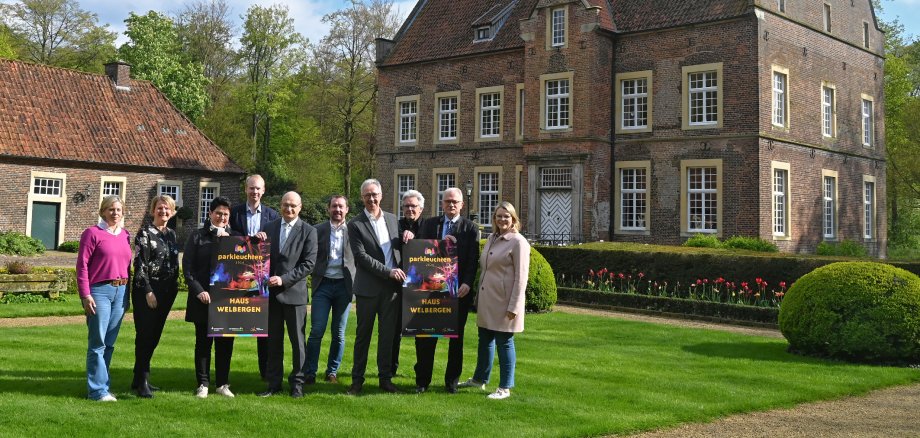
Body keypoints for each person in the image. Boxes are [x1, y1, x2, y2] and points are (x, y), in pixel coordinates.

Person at [458, 202, 530, 400]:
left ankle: (505, 386)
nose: (502, 220)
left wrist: (514, 306)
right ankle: (479, 379)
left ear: (513, 219)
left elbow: (521, 277)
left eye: (506, 216)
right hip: (487, 300)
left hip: (505, 301)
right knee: (485, 341)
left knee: (504, 343)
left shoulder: (518, 242)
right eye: (499, 216)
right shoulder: (491, 237)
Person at [411, 187, 480, 394]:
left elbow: (472, 260)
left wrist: (467, 283)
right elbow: (421, 253)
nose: (451, 205)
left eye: (455, 202)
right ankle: (422, 382)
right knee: (425, 338)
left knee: (454, 341)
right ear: (442, 204)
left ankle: (451, 383)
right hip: (431, 291)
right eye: (447, 201)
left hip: (458, 293)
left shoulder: (470, 228)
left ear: (462, 205)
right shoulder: (431, 224)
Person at [346, 179, 405, 395]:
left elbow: (399, 249)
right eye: (367, 195)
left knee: (388, 336)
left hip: (391, 290)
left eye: (374, 194)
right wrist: (387, 271)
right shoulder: (355, 224)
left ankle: (385, 379)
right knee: (363, 336)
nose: (371, 199)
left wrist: (409, 237)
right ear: (362, 198)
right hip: (368, 289)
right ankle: (356, 381)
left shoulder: (392, 219)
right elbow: (360, 257)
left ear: (381, 195)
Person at [257, 191, 317, 398]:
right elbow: (258, 257)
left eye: (293, 205)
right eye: (285, 205)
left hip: (295, 294)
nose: (288, 209)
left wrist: (284, 279)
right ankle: (273, 384)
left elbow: (308, 264)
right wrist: (257, 242)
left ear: (300, 207)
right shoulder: (268, 227)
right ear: (280, 205)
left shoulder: (309, 231)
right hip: (271, 295)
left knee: (297, 342)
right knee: (273, 342)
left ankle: (297, 384)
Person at [184, 196, 241, 399]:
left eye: (226, 214)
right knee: (203, 344)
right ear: (210, 214)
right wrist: (199, 290)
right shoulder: (197, 236)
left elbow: (244, 268)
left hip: (227, 300)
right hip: (204, 298)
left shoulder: (236, 237)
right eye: (218, 213)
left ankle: (223, 384)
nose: (222, 217)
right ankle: (203, 384)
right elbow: (188, 269)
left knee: (226, 344)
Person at [77, 195, 132, 402]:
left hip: (121, 291)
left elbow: (128, 267)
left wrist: (128, 298)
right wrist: (85, 294)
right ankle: (97, 391)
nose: (115, 213)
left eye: (118, 210)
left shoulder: (125, 235)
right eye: (111, 209)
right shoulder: (92, 233)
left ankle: (103, 387)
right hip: (99, 291)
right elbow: (82, 266)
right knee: (97, 342)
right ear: (103, 211)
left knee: (109, 343)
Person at [229, 174, 279, 381]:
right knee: (229, 325)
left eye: (258, 189)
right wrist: (250, 239)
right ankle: (224, 375)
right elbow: (229, 240)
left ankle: (265, 373)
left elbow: (276, 246)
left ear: (264, 190)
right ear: (246, 190)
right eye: (251, 188)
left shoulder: (272, 216)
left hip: (262, 279)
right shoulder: (234, 214)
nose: (255, 192)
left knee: (262, 329)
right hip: (236, 276)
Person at [131, 195, 180, 398]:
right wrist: (148, 291)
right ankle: (143, 380)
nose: (163, 212)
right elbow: (140, 265)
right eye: (160, 208)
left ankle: (137, 378)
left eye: (167, 209)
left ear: (173, 212)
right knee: (145, 336)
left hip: (167, 292)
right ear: (153, 211)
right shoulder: (144, 234)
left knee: (155, 335)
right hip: (148, 291)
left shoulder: (172, 235)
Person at [304, 195, 355, 386]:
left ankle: (332, 371)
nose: (338, 210)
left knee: (339, 333)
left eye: (341, 207)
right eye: (334, 206)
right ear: (328, 209)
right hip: (322, 285)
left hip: (344, 286)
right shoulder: (317, 230)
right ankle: (310, 372)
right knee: (316, 330)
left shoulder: (354, 231)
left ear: (347, 210)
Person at [393, 189, 426, 376]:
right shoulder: (395, 226)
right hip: (398, 285)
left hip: (421, 287)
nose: (410, 209)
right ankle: (391, 369)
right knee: (394, 331)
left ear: (421, 208)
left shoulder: (429, 226)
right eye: (406, 206)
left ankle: (421, 372)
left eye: (413, 206)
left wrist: (416, 238)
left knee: (421, 332)